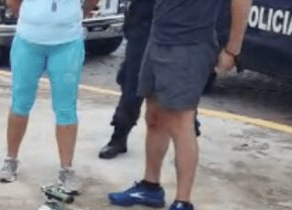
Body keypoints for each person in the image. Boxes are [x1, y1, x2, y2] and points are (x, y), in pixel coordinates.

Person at [108, 0, 251, 210]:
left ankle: (183, 204)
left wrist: (232, 49)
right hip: (158, 37)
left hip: (190, 45)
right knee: (154, 116)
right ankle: (150, 186)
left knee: (180, 121)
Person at [97, 0, 228, 159]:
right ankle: (119, 135)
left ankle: (188, 138)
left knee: (184, 93)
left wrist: (226, 43)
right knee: (132, 83)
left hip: (185, 29)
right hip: (145, 21)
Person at [0, 0, 100, 195]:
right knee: (20, 102)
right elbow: (12, 2)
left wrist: (79, 13)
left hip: (67, 42)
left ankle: (66, 169)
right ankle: (11, 159)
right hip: (28, 41)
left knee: (66, 108)